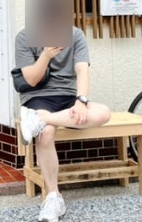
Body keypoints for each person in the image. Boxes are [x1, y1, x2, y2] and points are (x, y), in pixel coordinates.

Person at [15, 26, 111, 222]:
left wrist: (81, 101)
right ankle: (53, 197)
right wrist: (46, 55)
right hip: (38, 97)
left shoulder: (76, 35)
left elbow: (82, 69)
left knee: (104, 112)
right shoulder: (24, 37)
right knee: (47, 133)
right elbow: (31, 80)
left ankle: (38, 120)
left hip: (69, 97)